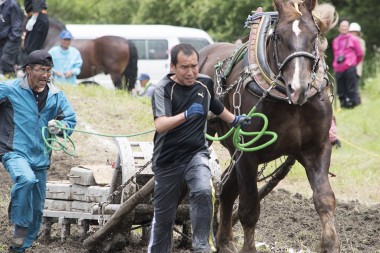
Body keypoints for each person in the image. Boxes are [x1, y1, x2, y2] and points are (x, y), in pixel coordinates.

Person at [148, 43, 251, 253]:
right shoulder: (163, 90)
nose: (191, 72)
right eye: (184, 67)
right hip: (168, 159)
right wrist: (185, 115)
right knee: (164, 218)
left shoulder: (204, 83)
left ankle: (202, 246)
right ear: (173, 67)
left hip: (196, 153)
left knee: (204, 191)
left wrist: (233, 119)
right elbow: (160, 125)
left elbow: (214, 103)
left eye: (194, 66)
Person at [0, 49, 76, 253]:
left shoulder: (56, 95)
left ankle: (18, 249)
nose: (45, 75)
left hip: (41, 157)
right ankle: (18, 223)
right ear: (28, 69)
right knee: (25, 179)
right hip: (14, 151)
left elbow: (70, 120)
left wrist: (61, 128)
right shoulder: (8, 89)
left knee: (37, 212)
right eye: (41, 70)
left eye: (49, 70)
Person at [332, 19, 363, 109]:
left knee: (351, 87)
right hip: (338, 68)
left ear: (348, 28)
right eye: (342, 26)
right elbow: (335, 54)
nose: (344, 28)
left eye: (345, 26)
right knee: (341, 88)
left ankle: (353, 103)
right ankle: (343, 104)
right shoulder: (335, 41)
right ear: (339, 28)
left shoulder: (354, 39)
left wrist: (353, 63)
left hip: (350, 66)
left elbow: (360, 54)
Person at [19, 0, 49, 66]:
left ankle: (33, 71)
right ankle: (33, 71)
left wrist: (34, 18)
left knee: (32, 48)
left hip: (37, 17)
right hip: (35, 16)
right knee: (31, 48)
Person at [0, 0, 23, 78]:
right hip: (2, 39)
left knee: (6, 60)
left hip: (12, 39)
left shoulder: (12, 4)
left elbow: (17, 24)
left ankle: (11, 80)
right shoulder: (1, 5)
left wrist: (13, 38)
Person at [349, 22, 366, 88]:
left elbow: (361, 54)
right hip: (346, 68)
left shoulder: (361, 42)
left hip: (356, 69)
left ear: (358, 32)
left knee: (353, 88)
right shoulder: (347, 41)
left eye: (354, 32)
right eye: (351, 32)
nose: (353, 33)